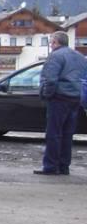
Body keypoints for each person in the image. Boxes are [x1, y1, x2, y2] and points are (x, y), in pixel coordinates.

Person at [35, 31, 87, 175]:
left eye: (51, 42)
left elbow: (50, 79)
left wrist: (47, 95)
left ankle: (51, 166)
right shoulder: (79, 56)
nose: (51, 45)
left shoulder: (55, 56)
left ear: (56, 43)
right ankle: (64, 166)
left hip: (59, 98)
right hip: (76, 98)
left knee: (54, 133)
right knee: (67, 134)